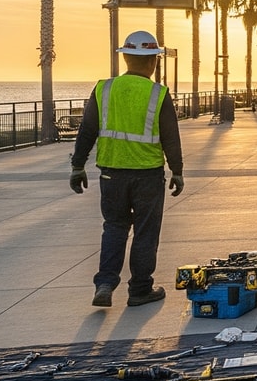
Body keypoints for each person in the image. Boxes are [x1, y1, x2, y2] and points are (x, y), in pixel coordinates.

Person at [70, 31, 185, 308]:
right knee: (146, 231)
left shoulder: (103, 89)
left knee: (114, 227)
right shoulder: (158, 94)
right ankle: (140, 289)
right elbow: (171, 136)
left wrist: (77, 166)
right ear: (153, 63)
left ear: (125, 58)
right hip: (147, 175)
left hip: (112, 173)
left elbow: (87, 131)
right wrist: (177, 171)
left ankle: (106, 283)